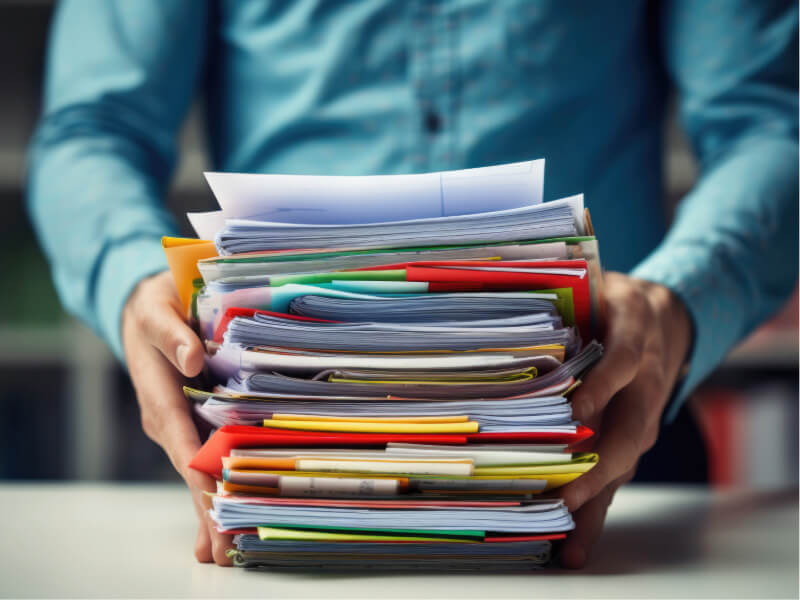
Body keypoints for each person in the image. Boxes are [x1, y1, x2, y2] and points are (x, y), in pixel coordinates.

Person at [27, 0, 798, 568]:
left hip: (605, 437)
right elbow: (92, 129)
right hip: (252, 447)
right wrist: (132, 281)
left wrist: (676, 300)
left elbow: (771, 125)